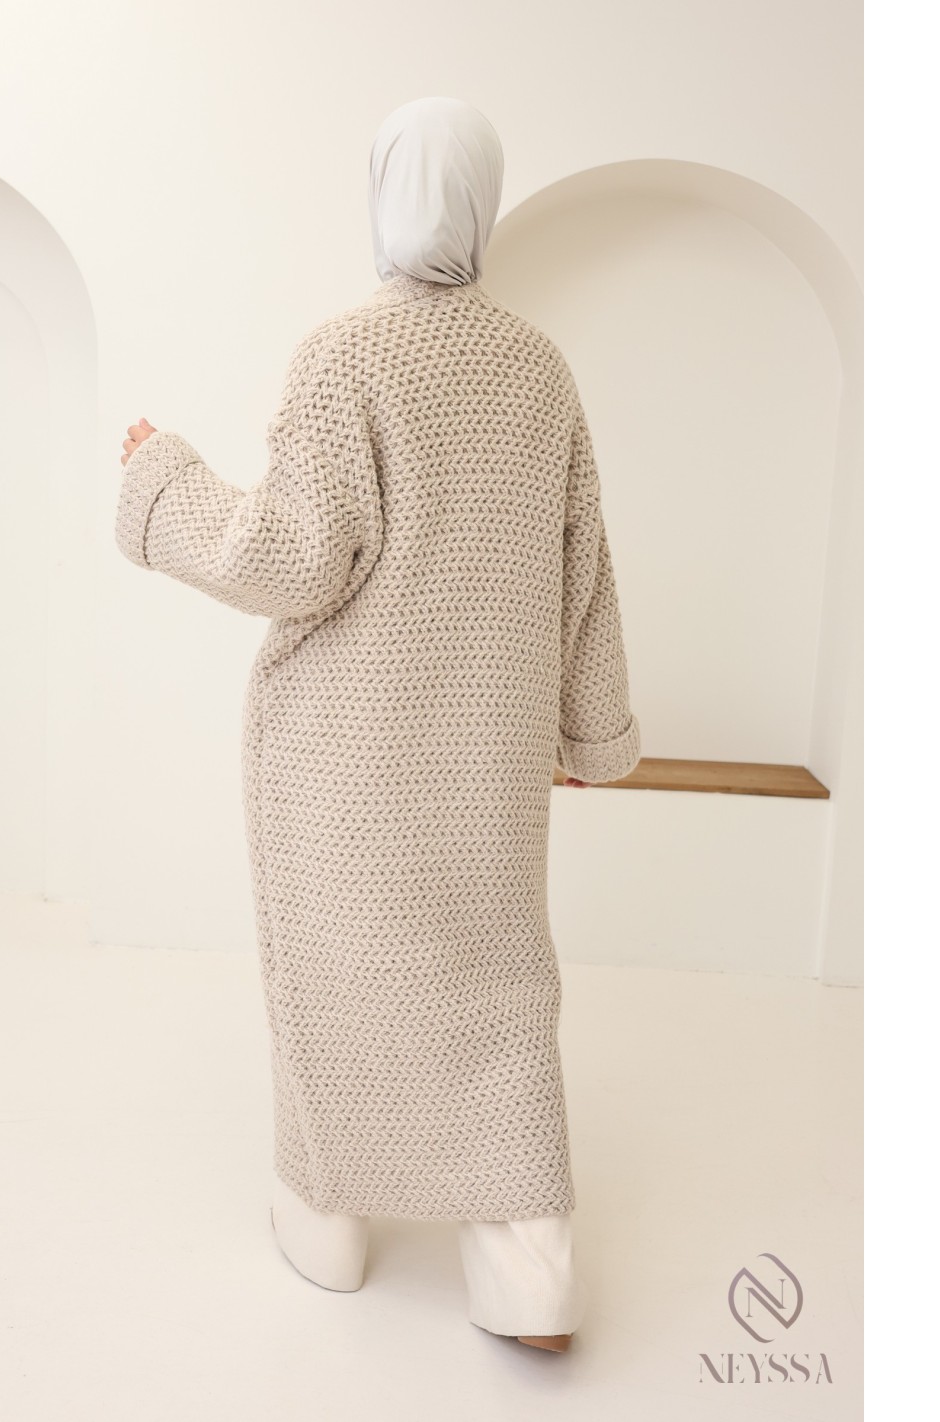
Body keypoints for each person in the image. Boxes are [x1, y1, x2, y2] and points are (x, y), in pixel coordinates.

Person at [114, 95, 640, 1353]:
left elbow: (290, 557)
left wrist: (160, 479)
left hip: (349, 758)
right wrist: (589, 729)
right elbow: (584, 565)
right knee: (497, 984)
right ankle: (528, 1277)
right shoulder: (539, 369)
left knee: (339, 974)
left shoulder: (343, 356)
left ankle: (327, 1228)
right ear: (483, 203)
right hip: (486, 756)